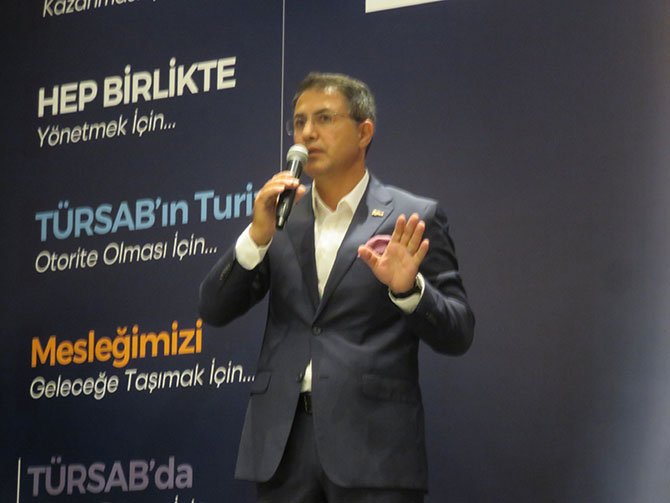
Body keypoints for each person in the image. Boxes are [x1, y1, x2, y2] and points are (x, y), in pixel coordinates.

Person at [198, 72, 474, 503]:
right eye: (299, 122)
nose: (307, 133)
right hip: (282, 450)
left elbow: (458, 331)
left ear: (364, 132)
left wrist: (410, 291)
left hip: (374, 450)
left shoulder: (412, 217)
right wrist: (256, 237)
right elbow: (213, 309)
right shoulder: (279, 218)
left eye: (324, 118)